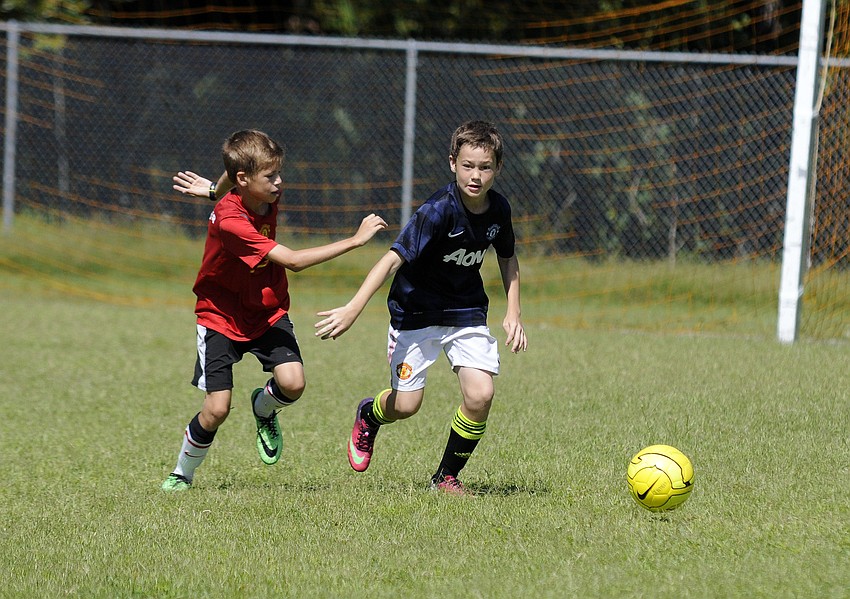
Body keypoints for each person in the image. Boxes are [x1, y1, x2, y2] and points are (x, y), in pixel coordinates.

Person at [161, 129, 387, 491]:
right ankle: (181, 472)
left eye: (278, 173)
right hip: (220, 316)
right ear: (244, 180)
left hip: (266, 310)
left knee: (293, 384)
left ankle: (264, 408)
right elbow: (294, 261)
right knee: (217, 409)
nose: (279, 182)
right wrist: (356, 240)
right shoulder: (231, 220)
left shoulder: (261, 193)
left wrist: (212, 188)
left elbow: (237, 170)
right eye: (271, 176)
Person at [314, 120, 528, 496]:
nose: (475, 176)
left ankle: (445, 477)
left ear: (498, 168)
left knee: (480, 395)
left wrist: (514, 312)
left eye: (485, 167)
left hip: (465, 311)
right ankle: (370, 414)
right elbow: (392, 260)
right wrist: (353, 308)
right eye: (467, 165)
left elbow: (508, 258)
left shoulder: (499, 210)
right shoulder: (437, 211)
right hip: (415, 313)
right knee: (407, 405)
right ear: (452, 163)